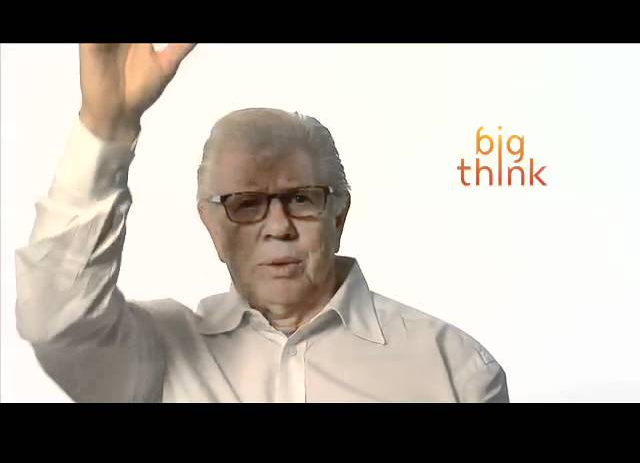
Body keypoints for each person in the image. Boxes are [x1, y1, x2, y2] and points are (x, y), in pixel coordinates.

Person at [15, 43, 509, 403]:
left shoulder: (456, 369)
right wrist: (106, 130)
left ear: (339, 213)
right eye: (247, 204)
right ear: (212, 225)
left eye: (300, 198)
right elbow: (54, 320)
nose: (278, 226)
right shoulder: (157, 354)